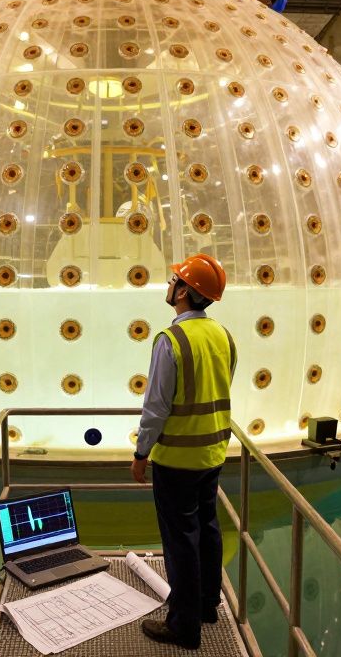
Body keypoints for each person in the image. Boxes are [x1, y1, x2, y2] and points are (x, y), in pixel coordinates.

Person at [131, 253, 235, 650]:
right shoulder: (223, 336)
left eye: (174, 280)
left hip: (176, 459)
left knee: (181, 542)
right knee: (207, 530)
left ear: (186, 293)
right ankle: (208, 606)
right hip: (213, 453)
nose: (168, 285)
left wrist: (141, 454)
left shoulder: (170, 340)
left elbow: (156, 407)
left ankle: (183, 627)